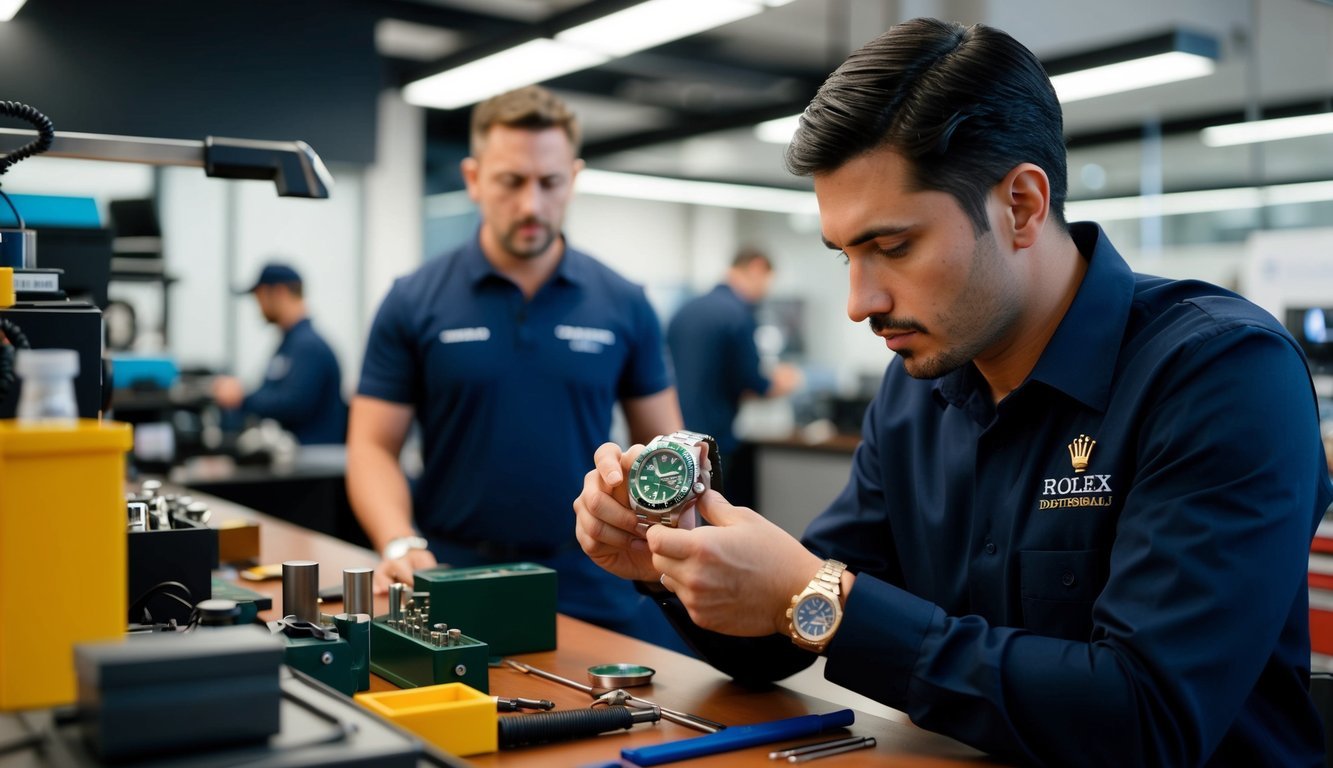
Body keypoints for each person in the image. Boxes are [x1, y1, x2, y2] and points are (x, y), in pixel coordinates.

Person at [574, 17, 1333, 766]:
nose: (859, 302)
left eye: (893, 246)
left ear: (1022, 206)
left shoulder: (1220, 376)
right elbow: (787, 633)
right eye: (845, 256)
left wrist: (821, 601)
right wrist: (676, 561)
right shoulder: (916, 392)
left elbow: (1145, 721)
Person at [347, 85, 688, 651]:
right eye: (511, 181)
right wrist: (397, 541)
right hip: (452, 575)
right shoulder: (414, 300)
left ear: (572, 179)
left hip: (596, 576)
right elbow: (371, 447)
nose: (531, 205)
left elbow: (663, 447)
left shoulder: (624, 302)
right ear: (475, 178)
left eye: (549, 182)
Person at [666, 247, 802, 508]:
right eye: (768, 281)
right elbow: (753, 382)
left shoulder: (685, 311)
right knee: (710, 516)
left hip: (675, 435)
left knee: (679, 516)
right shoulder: (738, 315)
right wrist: (786, 381)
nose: (766, 290)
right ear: (757, 268)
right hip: (713, 442)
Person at [212, 262, 347, 445]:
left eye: (259, 296)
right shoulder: (289, 344)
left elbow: (295, 404)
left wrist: (241, 397)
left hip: (314, 460)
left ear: (279, 292)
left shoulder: (308, 346)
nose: (258, 305)